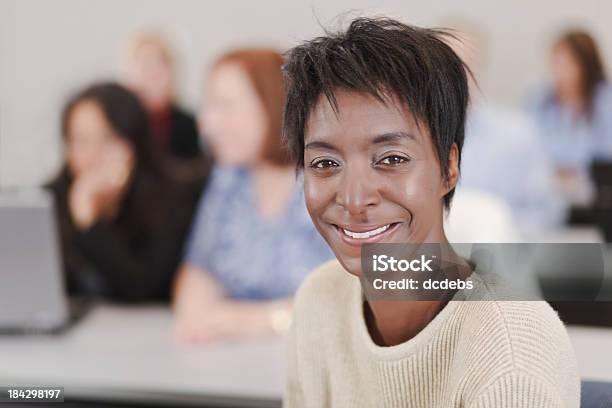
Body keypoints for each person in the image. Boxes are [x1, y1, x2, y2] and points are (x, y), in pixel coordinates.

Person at [282, 17, 580, 407]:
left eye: (390, 158)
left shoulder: (512, 351)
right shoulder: (320, 299)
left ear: (448, 168)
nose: (353, 200)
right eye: (324, 164)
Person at [172, 49, 332, 344]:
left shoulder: (332, 179)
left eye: (225, 106)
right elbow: (198, 271)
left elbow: (369, 298)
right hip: (232, 362)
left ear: (274, 105)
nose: (206, 122)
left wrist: (253, 320)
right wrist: (198, 314)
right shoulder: (228, 179)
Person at [48, 82, 198, 302]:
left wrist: (89, 221)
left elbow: (144, 289)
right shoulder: (50, 199)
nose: (92, 155)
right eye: (80, 141)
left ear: (134, 142)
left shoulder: (172, 198)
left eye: (107, 139)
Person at [444, 24, 564, 233]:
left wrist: (503, 235)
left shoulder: (518, 134)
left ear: (479, 66)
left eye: (465, 65)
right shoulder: (411, 136)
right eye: (448, 65)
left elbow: (546, 210)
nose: (457, 76)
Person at [527, 29, 612, 204]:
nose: (559, 73)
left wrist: (575, 172)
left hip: (595, 198)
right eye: (555, 64)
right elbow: (528, 147)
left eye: (567, 65)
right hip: (548, 194)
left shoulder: (605, 101)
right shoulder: (539, 99)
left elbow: (605, 159)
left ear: (585, 66)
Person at [124, 31, 204, 161]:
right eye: (144, 63)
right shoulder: (120, 121)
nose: (152, 72)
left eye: (159, 63)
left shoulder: (188, 124)